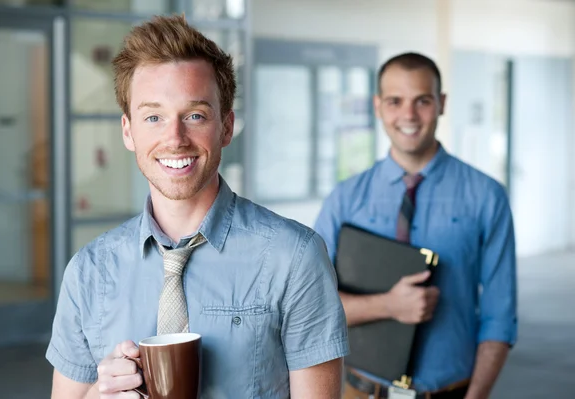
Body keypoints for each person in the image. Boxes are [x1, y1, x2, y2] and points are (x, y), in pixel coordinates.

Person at [47, 14, 349, 399]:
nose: (175, 139)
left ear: (226, 127)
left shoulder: (295, 257)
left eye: (195, 116)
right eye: (153, 117)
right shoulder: (88, 271)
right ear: (128, 130)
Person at [314, 52, 517, 399]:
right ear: (379, 106)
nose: (408, 115)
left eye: (422, 101)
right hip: (359, 391)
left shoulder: (486, 196)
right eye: (395, 101)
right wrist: (389, 305)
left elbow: (500, 316)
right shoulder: (345, 199)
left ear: (441, 103)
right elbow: (312, 305)